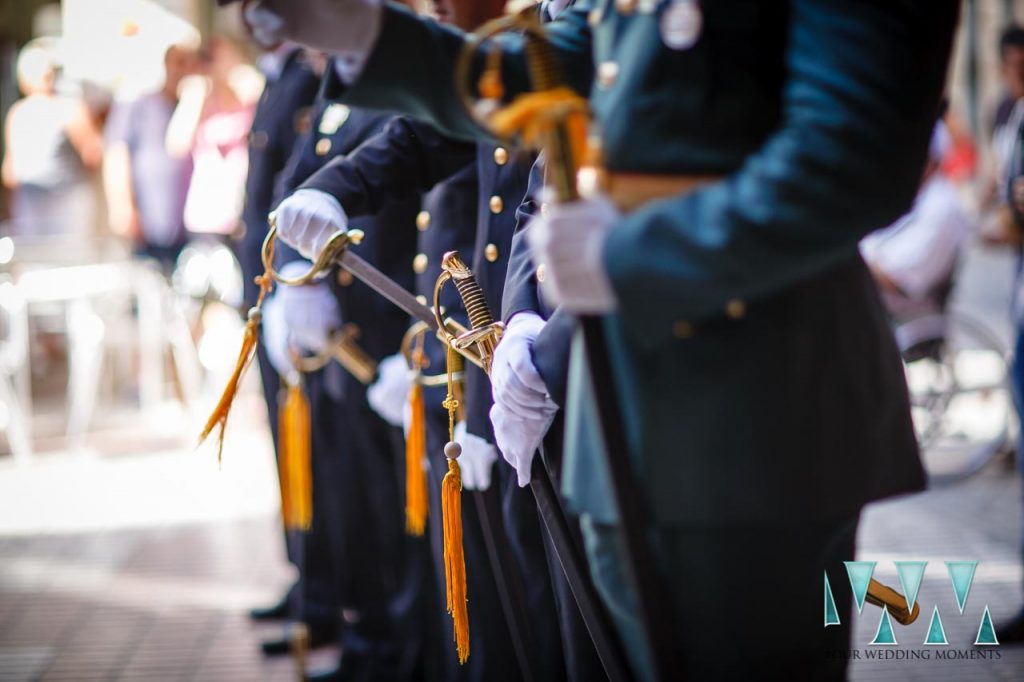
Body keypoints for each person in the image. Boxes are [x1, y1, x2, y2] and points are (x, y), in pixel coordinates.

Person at [248, 0, 960, 679]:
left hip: (759, 420)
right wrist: (372, 34)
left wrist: (627, 258)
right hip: (615, 410)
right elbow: (544, 66)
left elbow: (853, 157)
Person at [262, 53, 434, 680]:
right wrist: (292, 286)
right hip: (348, 333)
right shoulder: (344, 80)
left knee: (403, 515)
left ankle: (404, 651)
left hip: (395, 335)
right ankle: (378, 642)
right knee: (362, 499)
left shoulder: (415, 71)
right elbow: (301, 174)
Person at [231, 40, 321, 639]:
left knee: (320, 457)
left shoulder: (310, 71)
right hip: (273, 289)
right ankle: (308, 574)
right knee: (293, 448)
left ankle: (326, 587)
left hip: (307, 291)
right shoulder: (283, 73)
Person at [860, 121, 972, 324]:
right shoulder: (908, 196)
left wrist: (848, 258)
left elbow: (899, 277)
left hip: (903, 319)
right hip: (875, 309)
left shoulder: (943, 206)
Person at [104, 43, 199, 270]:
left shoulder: (192, 102)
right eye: (175, 62)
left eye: (186, 62)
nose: (180, 69)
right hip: (150, 217)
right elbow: (117, 151)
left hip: (187, 222)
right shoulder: (137, 102)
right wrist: (122, 205)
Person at [3, 39, 102, 239]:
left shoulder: (70, 109)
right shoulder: (17, 114)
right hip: (31, 203)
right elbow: (10, 170)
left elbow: (93, 152)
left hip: (67, 203)